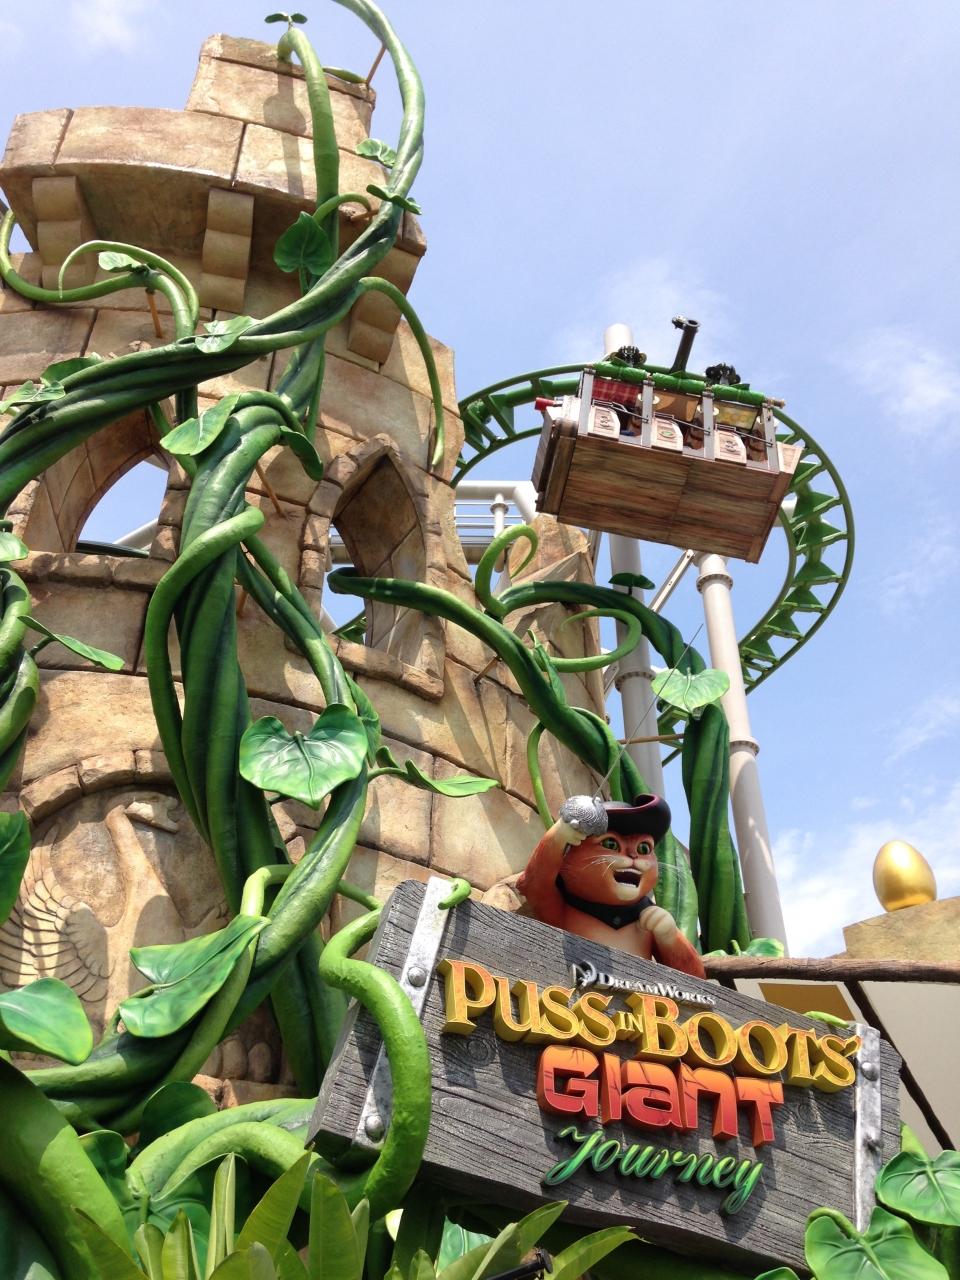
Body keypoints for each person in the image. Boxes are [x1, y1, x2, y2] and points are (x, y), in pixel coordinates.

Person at [517, 793, 706, 977]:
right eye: (611, 843)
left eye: (643, 848)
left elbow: (695, 979)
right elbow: (534, 885)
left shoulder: (647, 919)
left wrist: (669, 937)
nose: (633, 856)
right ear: (569, 857)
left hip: (637, 997)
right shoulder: (566, 907)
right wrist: (558, 836)